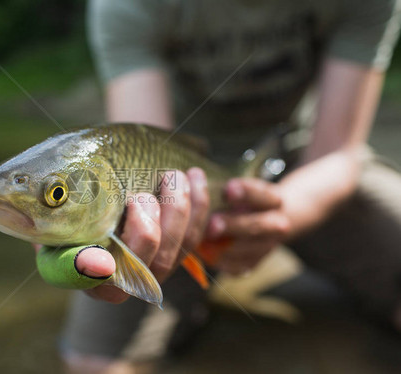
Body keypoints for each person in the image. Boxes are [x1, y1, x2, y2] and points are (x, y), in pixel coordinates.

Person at [60, 0, 401, 373]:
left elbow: (339, 152)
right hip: (178, 182)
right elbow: (142, 148)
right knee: (92, 362)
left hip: (301, 161)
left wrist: (275, 217)